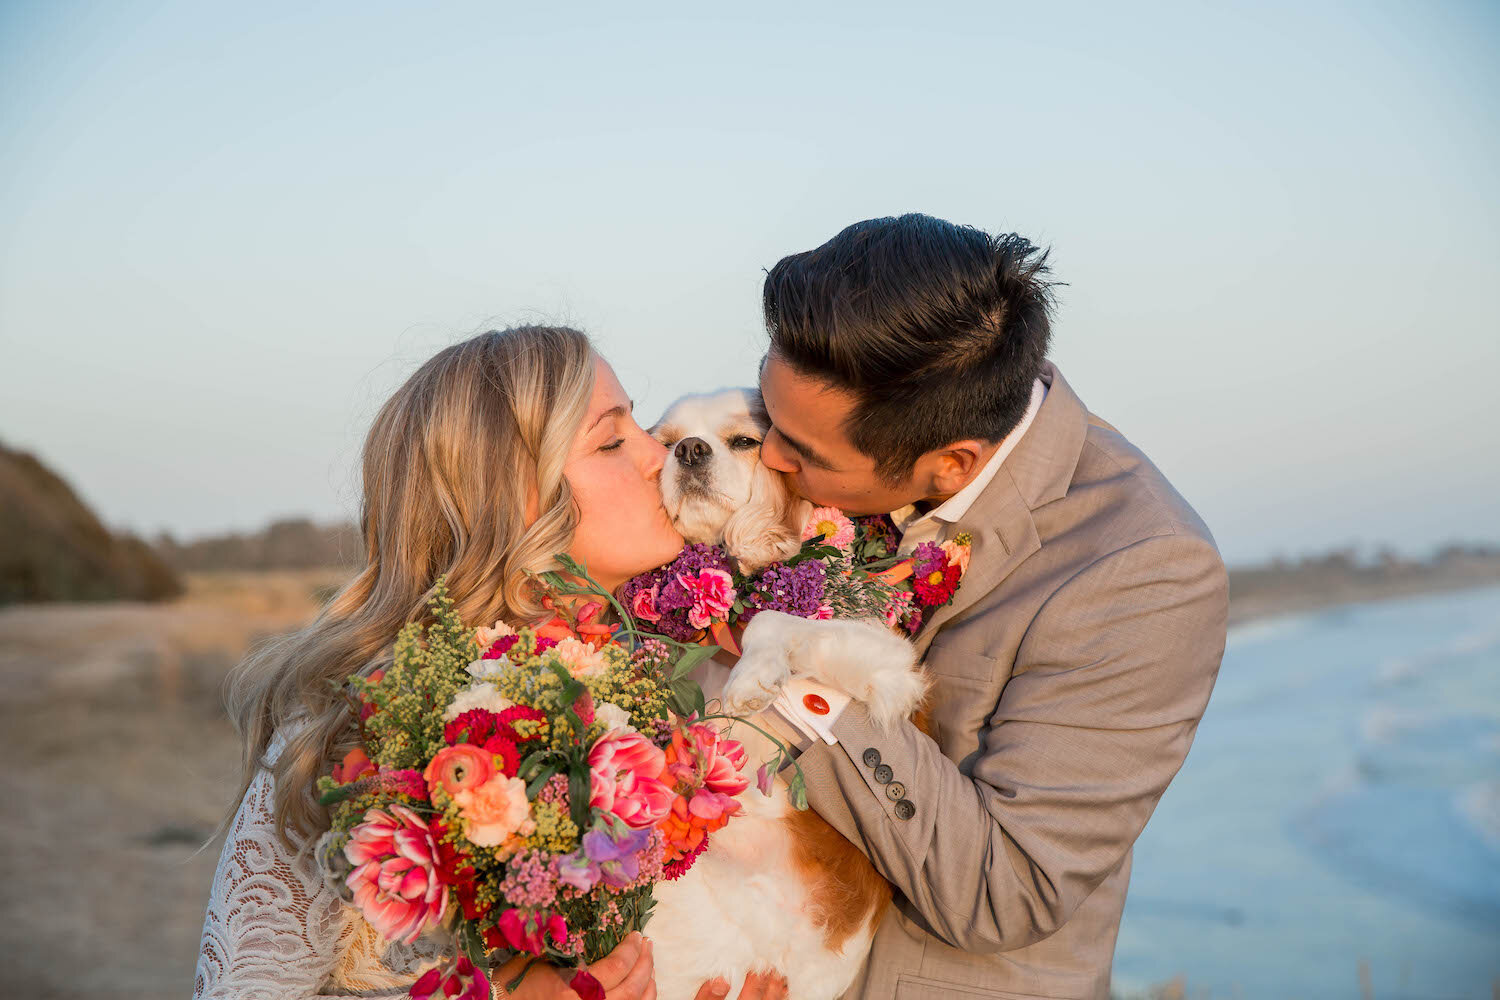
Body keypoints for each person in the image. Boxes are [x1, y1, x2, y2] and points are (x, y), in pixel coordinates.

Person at [193, 326, 787, 1000]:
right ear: (517, 497)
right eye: (613, 439)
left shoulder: (653, 686)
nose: (659, 454)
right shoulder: (356, 725)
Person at [751, 215, 1229, 999]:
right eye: (771, 417)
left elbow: (1009, 890)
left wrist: (795, 665)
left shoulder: (1147, 567)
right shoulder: (848, 412)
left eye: (806, 455)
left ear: (950, 464)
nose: (771, 456)